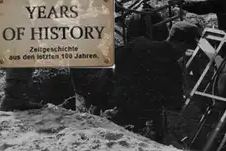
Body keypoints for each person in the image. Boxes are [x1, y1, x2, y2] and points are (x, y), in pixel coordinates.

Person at [72, 21, 201, 143]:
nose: (183, 53)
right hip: (138, 118)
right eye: (185, 49)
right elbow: (174, 105)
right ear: (181, 42)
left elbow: (111, 60)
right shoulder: (173, 69)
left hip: (112, 101)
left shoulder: (139, 43)